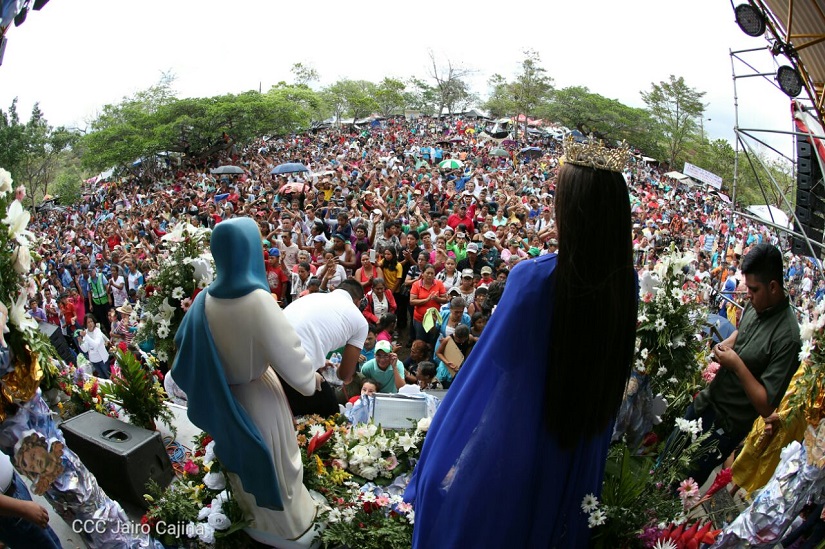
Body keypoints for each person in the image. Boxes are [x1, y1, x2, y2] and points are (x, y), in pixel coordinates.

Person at [405, 136, 638, 547]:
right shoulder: (625, 283)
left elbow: (498, 362)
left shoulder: (535, 278)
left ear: (573, 209)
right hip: (576, 440)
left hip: (518, 432)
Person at [171, 217, 324, 548]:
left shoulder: (204, 301)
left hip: (228, 399)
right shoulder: (258, 301)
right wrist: (311, 380)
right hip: (260, 396)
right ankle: (289, 528)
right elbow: (292, 357)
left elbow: (183, 353)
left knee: (243, 465)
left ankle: (255, 521)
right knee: (278, 465)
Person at [668, 243, 802, 488]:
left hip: (724, 425)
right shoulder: (755, 303)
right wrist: (726, 345)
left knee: (680, 485)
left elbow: (765, 404)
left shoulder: (789, 337)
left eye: (753, 289)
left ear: (773, 287)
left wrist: (737, 365)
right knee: (667, 460)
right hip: (706, 402)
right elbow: (743, 332)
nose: (747, 294)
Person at [281, 278, 369, 416]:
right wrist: (335, 370)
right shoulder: (360, 320)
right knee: (331, 415)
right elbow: (345, 375)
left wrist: (319, 361)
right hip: (294, 365)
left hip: (268, 355)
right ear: (358, 301)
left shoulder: (312, 297)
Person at [77, 314, 110, 379]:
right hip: (94, 360)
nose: (90, 324)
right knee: (102, 378)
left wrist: (86, 336)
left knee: (108, 376)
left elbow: (96, 345)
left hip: (102, 359)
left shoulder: (97, 331)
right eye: (88, 322)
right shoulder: (86, 332)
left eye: (91, 321)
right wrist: (81, 342)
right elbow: (85, 349)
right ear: (86, 324)